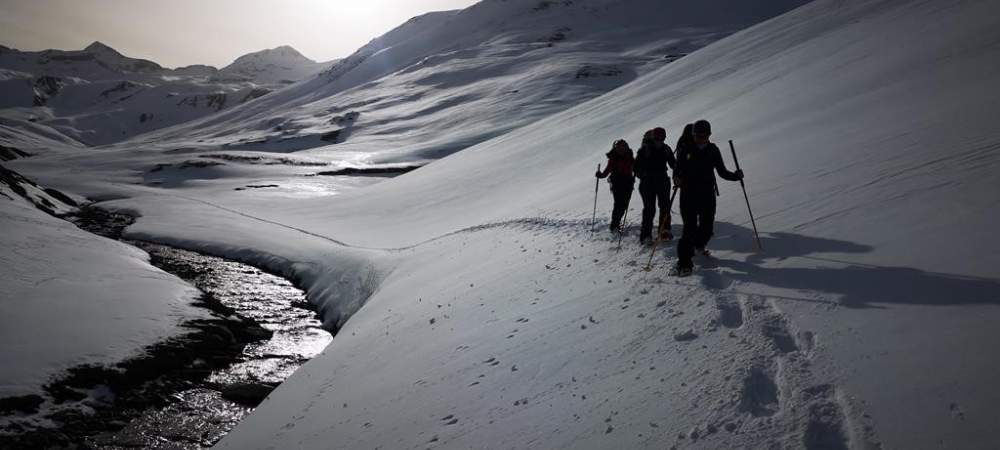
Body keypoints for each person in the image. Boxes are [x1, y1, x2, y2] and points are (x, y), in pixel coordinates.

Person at [672, 119, 743, 276]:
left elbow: (722, 172)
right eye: (698, 136)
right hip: (688, 195)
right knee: (689, 229)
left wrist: (736, 176)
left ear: (709, 135)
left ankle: (698, 246)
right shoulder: (685, 150)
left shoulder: (713, 150)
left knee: (707, 228)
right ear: (693, 135)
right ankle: (684, 263)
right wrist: (676, 178)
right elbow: (676, 170)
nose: (701, 138)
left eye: (704, 136)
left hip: (707, 195)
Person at [634, 127, 676, 244]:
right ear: (653, 137)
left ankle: (664, 231)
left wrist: (680, 172)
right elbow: (636, 167)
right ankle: (646, 235)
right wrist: (642, 175)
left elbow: (674, 164)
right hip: (648, 183)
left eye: (662, 138)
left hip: (662, 181)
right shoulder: (644, 150)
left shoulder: (666, 149)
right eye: (657, 138)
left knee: (665, 206)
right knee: (649, 209)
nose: (660, 140)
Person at [595, 139, 635, 232]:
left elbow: (636, 167)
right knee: (619, 204)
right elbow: (607, 171)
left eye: (623, 147)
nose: (621, 149)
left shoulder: (630, 157)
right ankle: (614, 225)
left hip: (628, 182)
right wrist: (600, 175)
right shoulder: (613, 158)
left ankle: (616, 223)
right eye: (619, 147)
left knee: (624, 204)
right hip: (617, 183)